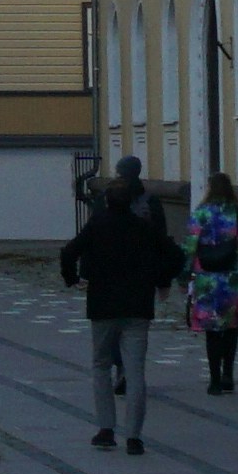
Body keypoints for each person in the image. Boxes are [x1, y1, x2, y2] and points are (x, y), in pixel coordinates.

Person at [55, 161, 185, 453]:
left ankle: (105, 428)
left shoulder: (97, 225)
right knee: (136, 370)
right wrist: (160, 278)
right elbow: (176, 256)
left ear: (106, 201)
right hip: (138, 305)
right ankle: (135, 436)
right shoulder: (144, 228)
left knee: (101, 365)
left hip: (102, 304)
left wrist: (72, 279)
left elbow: (68, 252)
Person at [181, 182, 238, 394]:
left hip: (207, 278)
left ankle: (214, 379)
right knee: (231, 327)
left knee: (212, 331)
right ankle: (228, 375)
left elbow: (189, 246)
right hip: (233, 278)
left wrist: (184, 275)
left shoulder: (201, 213)